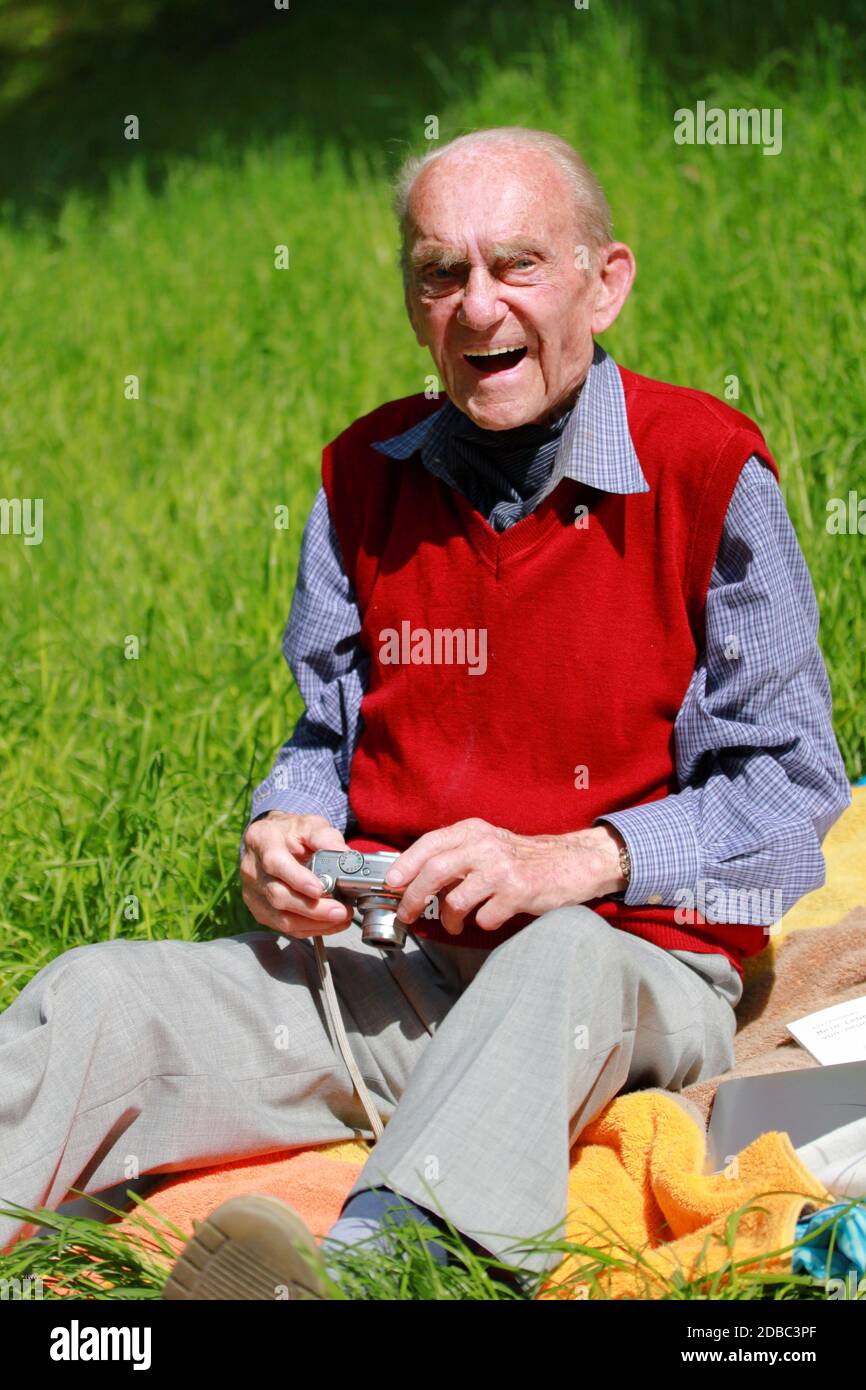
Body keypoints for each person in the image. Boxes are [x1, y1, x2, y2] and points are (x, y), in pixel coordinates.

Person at [0, 127, 850, 1300]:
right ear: (410, 301)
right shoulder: (360, 478)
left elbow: (790, 790)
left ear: (604, 283)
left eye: (517, 265)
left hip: (620, 982)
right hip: (388, 968)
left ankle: (364, 1275)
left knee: (555, 956)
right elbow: (322, 737)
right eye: (439, 273)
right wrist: (285, 828)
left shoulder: (705, 471)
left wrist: (577, 859)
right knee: (98, 996)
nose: (476, 305)